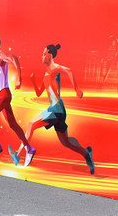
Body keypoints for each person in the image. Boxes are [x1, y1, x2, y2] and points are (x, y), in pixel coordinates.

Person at [15, 44, 94, 173]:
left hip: (56, 109)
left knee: (31, 124)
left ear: (50, 55)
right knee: (66, 142)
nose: (42, 56)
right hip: (57, 110)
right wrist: (34, 81)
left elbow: (69, 71)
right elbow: (39, 92)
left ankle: (20, 154)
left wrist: (76, 89)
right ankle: (86, 154)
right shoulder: (46, 73)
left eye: (44, 53)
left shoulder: (55, 68)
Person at [0, 36, 35, 166]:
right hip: (3, 95)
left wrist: (19, 79)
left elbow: (14, 58)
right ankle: (29, 149)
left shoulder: (0, 54)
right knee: (13, 124)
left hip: (4, 95)